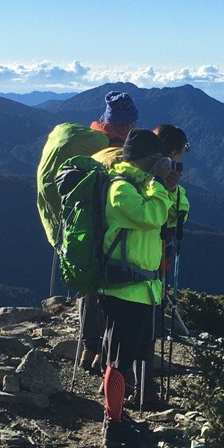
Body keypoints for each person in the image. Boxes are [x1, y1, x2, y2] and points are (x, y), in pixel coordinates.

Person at [99, 128, 180, 448]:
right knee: (118, 359)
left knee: (129, 353)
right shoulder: (120, 188)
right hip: (123, 290)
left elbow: (171, 216)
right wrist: (159, 184)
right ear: (149, 159)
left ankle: (117, 415)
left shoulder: (143, 185)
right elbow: (152, 217)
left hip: (143, 289)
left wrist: (168, 187)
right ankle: (113, 426)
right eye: (160, 160)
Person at [127, 125, 191, 408]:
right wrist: (170, 188)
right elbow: (174, 219)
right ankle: (142, 387)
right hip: (151, 259)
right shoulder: (153, 178)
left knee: (134, 328)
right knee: (147, 326)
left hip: (126, 258)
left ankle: (137, 384)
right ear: (175, 150)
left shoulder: (134, 170)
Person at [77, 91, 139, 374]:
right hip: (112, 234)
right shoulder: (119, 159)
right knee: (109, 293)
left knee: (89, 289)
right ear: (127, 126)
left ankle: (88, 347)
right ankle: (105, 355)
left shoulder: (95, 150)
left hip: (86, 232)